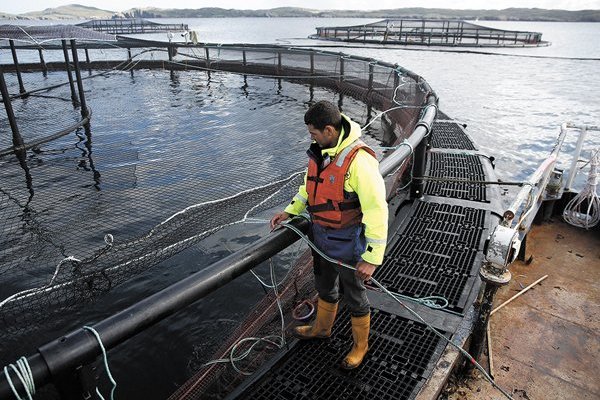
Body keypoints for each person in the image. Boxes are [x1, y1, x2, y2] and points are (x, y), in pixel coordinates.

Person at [270, 100, 388, 370]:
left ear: (329, 130)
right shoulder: (321, 153)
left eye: (313, 133)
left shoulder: (360, 161)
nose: (310, 137)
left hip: (348, 244)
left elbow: (377, 211)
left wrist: (372, 258)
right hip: (320, 239)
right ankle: (322, 329)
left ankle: (360, 346)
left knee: (355, 296)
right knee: (324, 287)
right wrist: (290, 211)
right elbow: (308, 187)